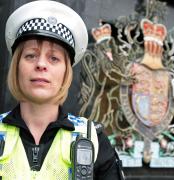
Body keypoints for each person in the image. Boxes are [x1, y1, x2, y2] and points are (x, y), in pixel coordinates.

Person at [0, 0, 124, 179]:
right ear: (16, 66)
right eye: (31, 55)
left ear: (66, 72)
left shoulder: (93, 140)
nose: (41, 64)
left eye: (54, 58)